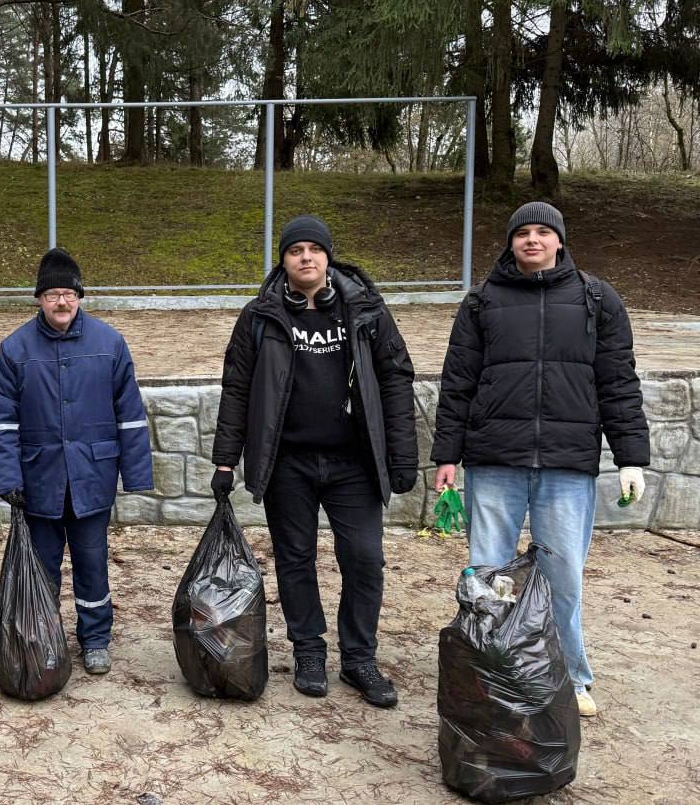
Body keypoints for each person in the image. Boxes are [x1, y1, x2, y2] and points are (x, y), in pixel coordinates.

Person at [431, 202, 649, 718]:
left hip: (567, 465)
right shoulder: (481, 303)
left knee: (562, 579)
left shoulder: (598, 300)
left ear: (559, 241)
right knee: (488, 575)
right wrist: (447, 456)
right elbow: (457, 383)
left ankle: (569, 677)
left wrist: (631, 457)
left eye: (543, 232)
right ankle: (489, 668)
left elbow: (618, 382)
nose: (533, 240)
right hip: (493, 462)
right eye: (522, 233)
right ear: (510, 242)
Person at [211, 215, 418, 708]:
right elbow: (237, 388)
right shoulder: (259, 317)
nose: (306, 257)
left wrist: (402, 454)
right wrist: (225, 460)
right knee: (296, 560)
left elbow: (395, 379)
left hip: (354, 463)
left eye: (314, 249)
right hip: (290, 464)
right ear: (283, 260)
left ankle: (359, 658)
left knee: (365, 560)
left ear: (329, 257)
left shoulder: (366, 311)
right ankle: (308, 650)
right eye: (295, 250)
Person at [0, 248, 154, 675]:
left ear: (80, 297)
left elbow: (130, 416)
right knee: (41, 571)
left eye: (69, 293)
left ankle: (95, 638)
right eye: (52, 294)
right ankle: (44, 637)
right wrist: (8, 478)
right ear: (39, 300)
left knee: (92, 565)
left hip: (92, 479)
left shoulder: (109, 343)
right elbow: (1, 421)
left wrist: (135, 475)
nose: (61, 302)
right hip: (38, 481)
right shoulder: (15, 349)